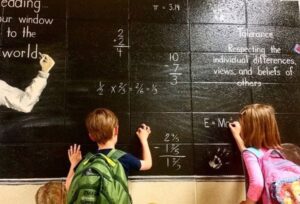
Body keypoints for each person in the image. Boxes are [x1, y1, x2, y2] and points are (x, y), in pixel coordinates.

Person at [65, 107, 152, 191]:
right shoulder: (123, 158)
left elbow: (68, 186)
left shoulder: (87, 160)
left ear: (91, 137)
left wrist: (74, 163)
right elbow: (148, 164)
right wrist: (144, 140)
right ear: (116, 130)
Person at [229, 103, 282, 204]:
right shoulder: (279, 152)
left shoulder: (251, 155)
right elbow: (248, 152)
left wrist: (248, 203)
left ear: (250, 129)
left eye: (243, 124)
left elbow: (257, 184)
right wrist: (237, 136)